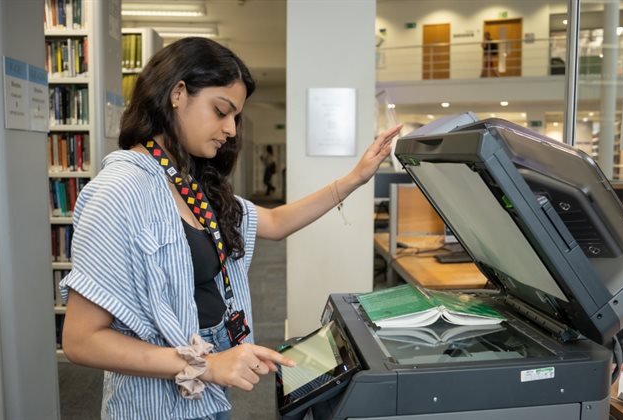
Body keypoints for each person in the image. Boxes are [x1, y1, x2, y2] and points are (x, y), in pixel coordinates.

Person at [59, 37, 402, 420]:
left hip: (206, 391)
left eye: (235, 117)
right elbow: (80, 340)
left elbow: (274, 222)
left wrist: (355, 179)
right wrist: (203, 365)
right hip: (159, 404)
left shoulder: (188, 182)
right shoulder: (118, 190)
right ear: (177, 93)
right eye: (221, 111)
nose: (232, 130)